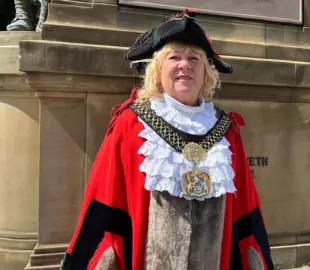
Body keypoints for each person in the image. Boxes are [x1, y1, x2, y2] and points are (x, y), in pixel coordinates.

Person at [60, 8, 274, 270]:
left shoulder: (227, 130)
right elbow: (104, 201)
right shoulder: (131, 123)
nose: (185, 65)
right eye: (174, 57)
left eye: (195, 58)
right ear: (158, 71)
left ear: (207, 72)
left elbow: (245, 210)